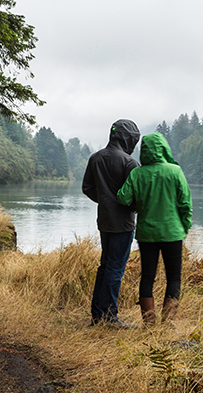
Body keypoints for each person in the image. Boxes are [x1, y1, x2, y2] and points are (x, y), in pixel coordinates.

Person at [117, 132, 192, 325]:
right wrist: (185, 225)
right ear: (164, 148)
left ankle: (149, 324)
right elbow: (185, 203)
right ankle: (168, 324)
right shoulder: (175, 171)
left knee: (147, 277)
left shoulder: (137, 173)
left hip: (147, 233)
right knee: (174, 277)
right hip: (173, 232)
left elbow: (123, 198)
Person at [82, 119, 141, 327]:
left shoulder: (95, 157)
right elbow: (138, 197)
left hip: (104, 220)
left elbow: (87, 188)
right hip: (123, 224)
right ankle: (109, 317)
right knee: (116, 269)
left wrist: (105, 201)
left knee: (105, 266)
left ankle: (97, 315)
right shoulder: (130, 163)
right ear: (129, 139)